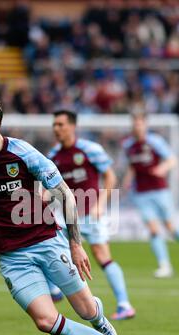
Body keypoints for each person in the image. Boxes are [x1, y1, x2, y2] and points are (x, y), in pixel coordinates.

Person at [0, 97, 149, 335]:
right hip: (11, 257)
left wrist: (75, 245)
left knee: (85, 310)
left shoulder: (24, 153)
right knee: (45, 321)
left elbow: (65, 194)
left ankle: (99, 318)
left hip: (47, 241)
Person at [46, 109, 136, 321]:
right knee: (48, 248)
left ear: (72, 126)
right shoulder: (53, 155)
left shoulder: (90, 149)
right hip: (65, 216)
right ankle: (54, 290)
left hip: (90, 214)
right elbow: (48, 186)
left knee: (102, 256)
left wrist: (101, 204)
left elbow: (110, 177)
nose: (56, 129)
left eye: (61, 124)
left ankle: (124, 304)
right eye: (54, 125)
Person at [122, 110, 179, 278]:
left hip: (159, 190)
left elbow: (172, 159)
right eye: (135, 123)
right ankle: (164, 265)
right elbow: (132, 166)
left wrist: (162, 168)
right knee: (153, 229)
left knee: (170, 227)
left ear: (145, 124)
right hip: (141, 193)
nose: (137, 127)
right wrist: (127, 181)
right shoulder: (129, 145)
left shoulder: (155, 141)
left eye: (140, 123)